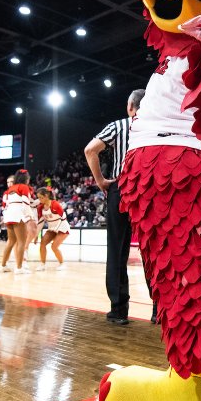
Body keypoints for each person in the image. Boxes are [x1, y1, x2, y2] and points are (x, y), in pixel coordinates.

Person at [85, 89, 144, 325]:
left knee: (117, 250)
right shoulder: (157, 126)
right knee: (153, 251)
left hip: (121, 189)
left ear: (130, 107)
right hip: (150, 192)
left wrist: (100, 181)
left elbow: (90, 150)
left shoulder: (118, 126)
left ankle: (119, 310)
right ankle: (159, 310)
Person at [0, 169, 33, 272]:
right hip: (18, 215)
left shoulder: (11, 189)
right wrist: (29, 217)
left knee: (11, 241)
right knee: (22, 242)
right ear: (26, 178)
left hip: (9, 215)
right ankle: (19, 268)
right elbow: (26, 203)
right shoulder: (24, 187)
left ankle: (3, 266)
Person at [35, 187, 69, 270]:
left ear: (46, 196)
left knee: (54, 247)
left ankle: (62, 264)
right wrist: (36, 235)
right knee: (42, 244)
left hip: (62, 228)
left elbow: (63, 218)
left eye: (41, 197)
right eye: (38, 197)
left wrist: (57, 229)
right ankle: (42, 264)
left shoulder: (55, 204)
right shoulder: (40, 207)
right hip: (52, 229)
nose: (39, 200)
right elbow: (40, 222)